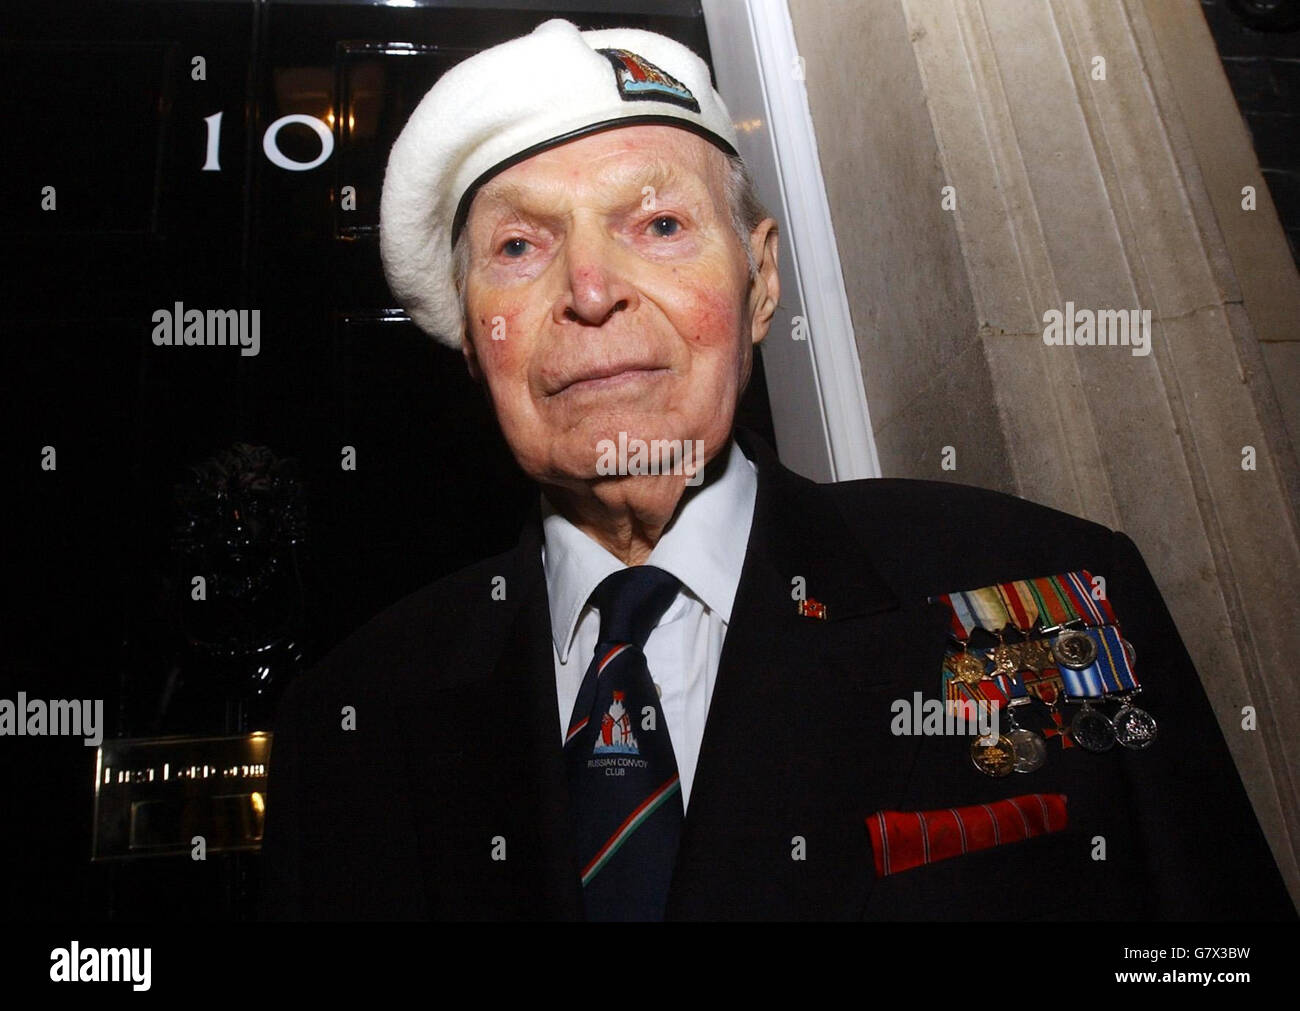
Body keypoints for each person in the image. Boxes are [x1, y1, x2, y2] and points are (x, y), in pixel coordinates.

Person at [259, 19, 1294, 921]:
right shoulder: (352, 725)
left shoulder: (1039, 593)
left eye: (659, 225)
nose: (588, 290)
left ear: (759, 289)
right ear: (476, 337)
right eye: (522, 247)